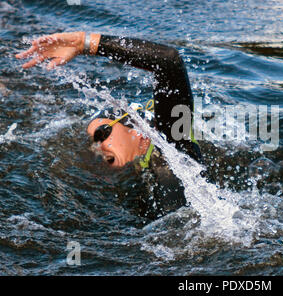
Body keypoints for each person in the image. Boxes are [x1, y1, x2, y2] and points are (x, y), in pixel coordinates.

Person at [15, 31, 202, 218]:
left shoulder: (174, 151)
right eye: (91, 142)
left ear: (140, 131)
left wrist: (84, 43)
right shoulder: (128, 191)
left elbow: (168, 61)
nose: (97, 147)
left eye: (101, 134)